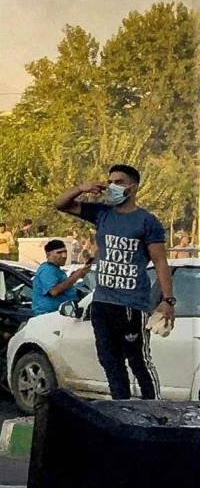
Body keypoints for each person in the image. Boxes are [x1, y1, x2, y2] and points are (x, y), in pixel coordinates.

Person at [56, 164, 175, 400]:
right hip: (102, 303)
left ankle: (155, 410)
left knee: (138, 361)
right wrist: (82, 188)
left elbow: (161, 262)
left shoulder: (147, 221)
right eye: (110, 181)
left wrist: (167, 300)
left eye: (119, 182)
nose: (112, 186)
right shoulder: (102, 213)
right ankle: (121, 407)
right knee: (110, 361)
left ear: (133, 187)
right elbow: (60, 204)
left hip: (131, 305)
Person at [31, 238, 91, 316]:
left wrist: (76, 275)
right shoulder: (47, 269)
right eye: (59, 253)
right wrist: (75, 277)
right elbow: (54, 291)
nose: (64, 256)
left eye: (65, 252)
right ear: (48, 254)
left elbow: (64, 286)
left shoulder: (56, 270)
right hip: (49, 316)